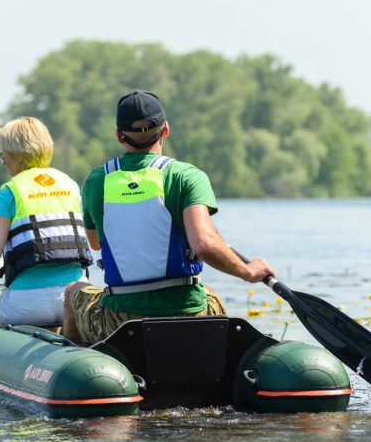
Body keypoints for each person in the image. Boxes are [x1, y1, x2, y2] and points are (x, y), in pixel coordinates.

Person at [62, 89, 275, 344]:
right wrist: (248, 271)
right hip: (187, 315)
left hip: (119, 322)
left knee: (73, 292)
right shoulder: (187, 176)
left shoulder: (96, 181)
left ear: (119, 135)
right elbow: (204, 244)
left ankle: (84, 366)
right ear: (165, 130)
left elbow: (96, 243)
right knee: (207, 294)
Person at [0, 116, 92, 328]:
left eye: (3, 156)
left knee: (4, 307)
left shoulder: (8, 193)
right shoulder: (71, 185)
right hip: (75, 298)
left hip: (28, 304)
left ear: (15, 155)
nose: (3, 163)